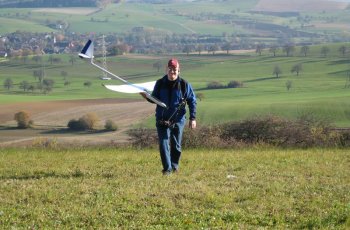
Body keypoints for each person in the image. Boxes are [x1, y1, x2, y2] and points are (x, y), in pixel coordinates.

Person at [140, 58, 197, 175]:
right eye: (170, 69)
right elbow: (154, 99)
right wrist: (146, 97)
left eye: (175, 69)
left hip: (178, 120)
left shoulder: (184, 85)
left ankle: (174, 166)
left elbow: (192, 101)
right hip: (162, 120)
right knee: (164, 143)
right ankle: (167, 169)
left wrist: (192, 118)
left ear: (178, 70)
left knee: (176, 145)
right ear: (166, 70)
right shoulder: (160, 83)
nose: (172, 72)